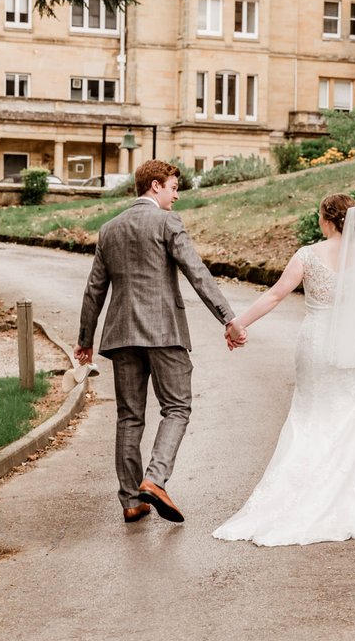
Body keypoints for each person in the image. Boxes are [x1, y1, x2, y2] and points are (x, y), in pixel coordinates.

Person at [213, 193, 355, 546]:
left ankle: (298, 495)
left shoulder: (307, 255)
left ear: (326, 220)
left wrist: (237, 324)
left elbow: (274, 295)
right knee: (353, 416)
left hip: (315, 344)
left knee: (311, 416)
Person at [77, 160, 247, 525]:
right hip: (164, 332)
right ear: (154, 186)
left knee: (129, 416)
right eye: (172, 187)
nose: (176, 194)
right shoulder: (167, 222)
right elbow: (196, 271)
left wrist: (85, 340)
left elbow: (94, 290)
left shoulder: (109, 229)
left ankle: (130, 501)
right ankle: (154, 479)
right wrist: (228, 318)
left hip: (121, 335)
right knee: (177, 407)